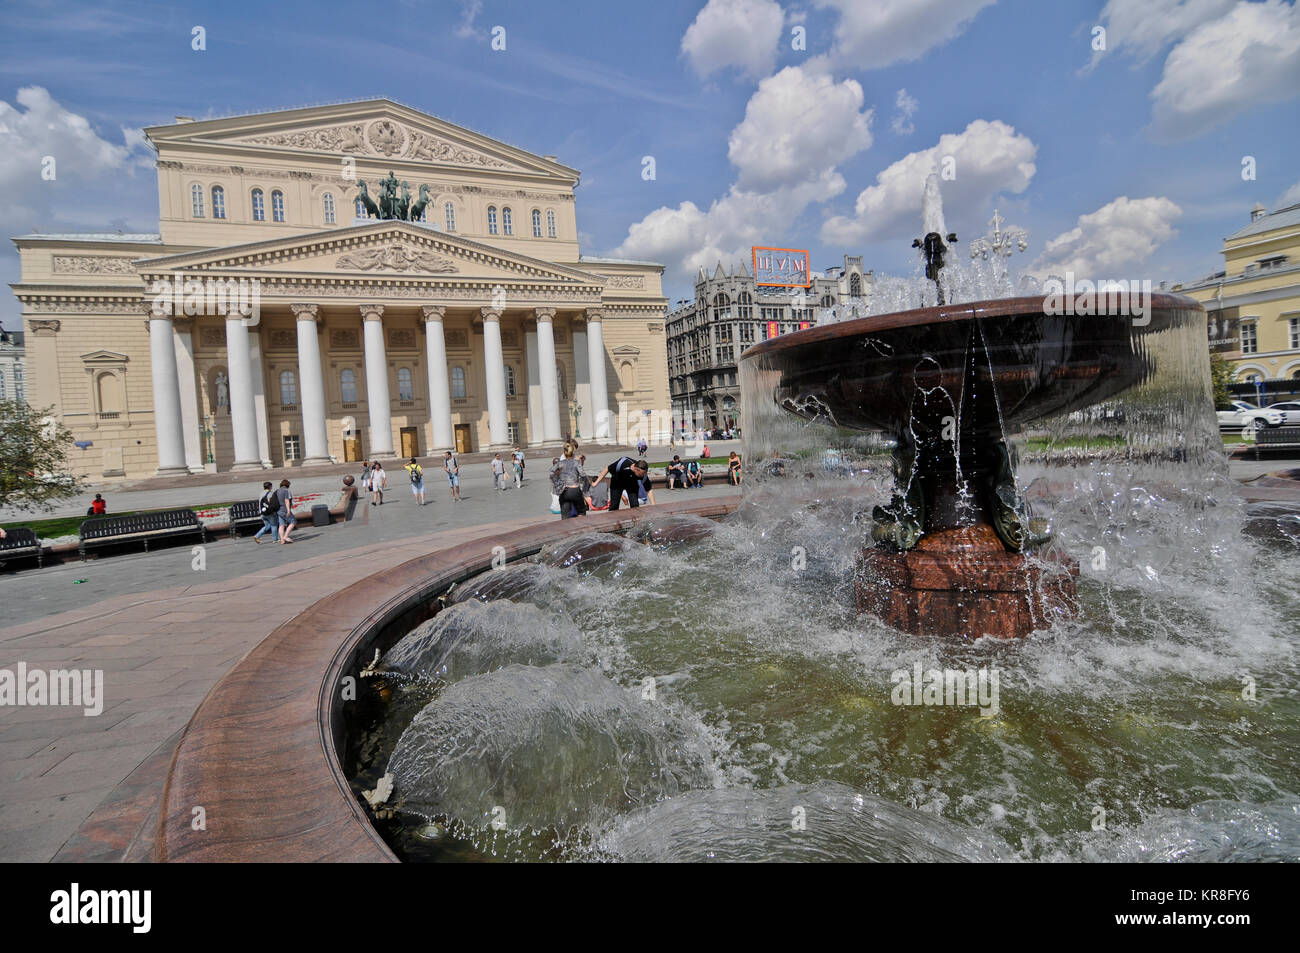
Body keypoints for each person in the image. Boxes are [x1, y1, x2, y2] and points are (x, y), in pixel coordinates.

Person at [550, 443, 588, 519]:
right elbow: (583, 475)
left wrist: (557, 483)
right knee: (581, 512)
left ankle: (566, 529)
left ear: (564, 453)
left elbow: (551, 473)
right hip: (575, 489)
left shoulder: (560, 463)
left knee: (565, 515)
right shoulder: (576, 463)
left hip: (564, 490)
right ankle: (581, 528)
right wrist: (584, 488)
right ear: (572, 452)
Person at [276, 479, 297, 544]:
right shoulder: (286, 491)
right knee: (293, 522)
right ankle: (286, 536)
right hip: (284, 509)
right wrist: (288, 510)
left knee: (281, 525)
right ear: (287, 485)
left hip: (278, 510)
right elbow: (287, 501)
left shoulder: (277, 491)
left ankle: (282, 540)